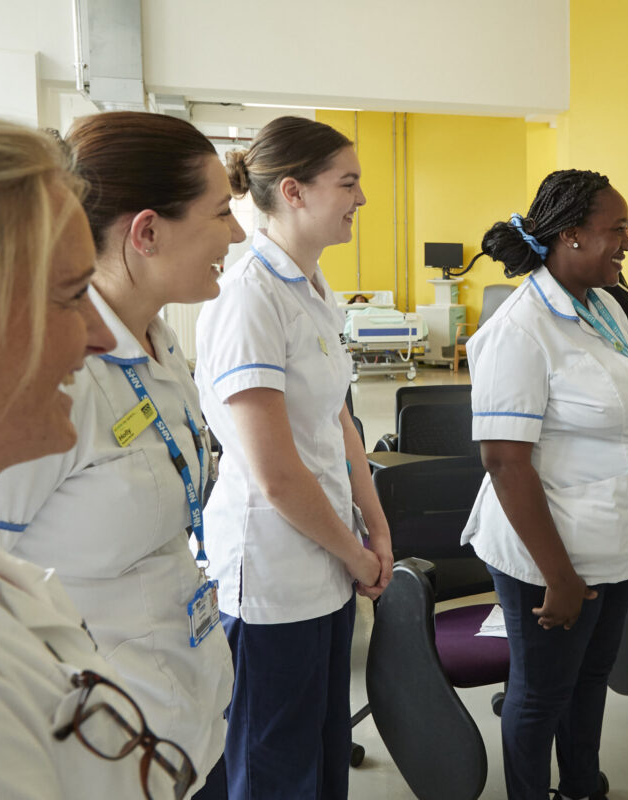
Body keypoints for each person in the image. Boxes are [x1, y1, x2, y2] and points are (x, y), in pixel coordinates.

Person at [0, 111, 243, 798]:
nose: (97, 331)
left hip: (166, 716)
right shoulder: (56, 400)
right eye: (70, 295)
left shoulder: (160, 345)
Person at [194, 116, 393, 800]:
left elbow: (338, 420)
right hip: (275, 567)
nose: (361, 198)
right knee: (274, 764)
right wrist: (354, 550)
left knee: (320, 749)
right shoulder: (249, 295)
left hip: (329, 556)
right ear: (294, 192)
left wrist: (376, 524)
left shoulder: (312, 288)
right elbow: (275, 473)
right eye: (349, 182)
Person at [464, 169, 628, 800]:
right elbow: (505, 462)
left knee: (591, 680)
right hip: (549, 555)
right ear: (571, 236)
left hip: (615, 542)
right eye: (617, 231)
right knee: (540, 696)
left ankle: (583, 786)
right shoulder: (520, 329)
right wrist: (559, 576)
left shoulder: (605, 305)